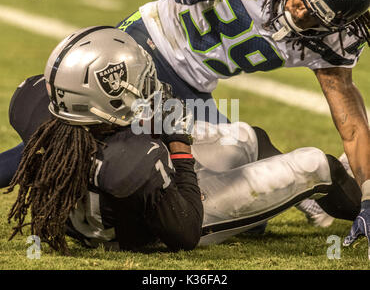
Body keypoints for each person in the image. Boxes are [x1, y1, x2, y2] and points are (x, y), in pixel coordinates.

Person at [3, 28, 363, 254]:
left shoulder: (44, 109)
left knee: (246, 139)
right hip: (162, 219)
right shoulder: (131, 163)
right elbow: (184, 230)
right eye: (139, 81)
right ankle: (361, 207)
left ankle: (284, 206)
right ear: (106, 103)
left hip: (120, 200)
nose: (149, 87)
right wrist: (178, 145)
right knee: (317, 165)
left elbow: (33, 156)